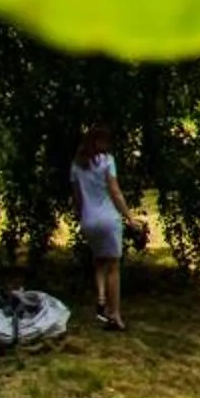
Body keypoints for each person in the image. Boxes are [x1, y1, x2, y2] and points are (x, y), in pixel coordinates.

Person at [70, 127, 143, 331]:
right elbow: (115, 191)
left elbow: (77, 198)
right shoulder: (107, 161)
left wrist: (82, 216)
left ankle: (101, 297)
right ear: (99, 142)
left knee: (99, 261)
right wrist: (130, 218)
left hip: (88, 220)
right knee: (113, 267)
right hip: (108, 219)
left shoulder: (76, 165)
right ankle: (114, 315)